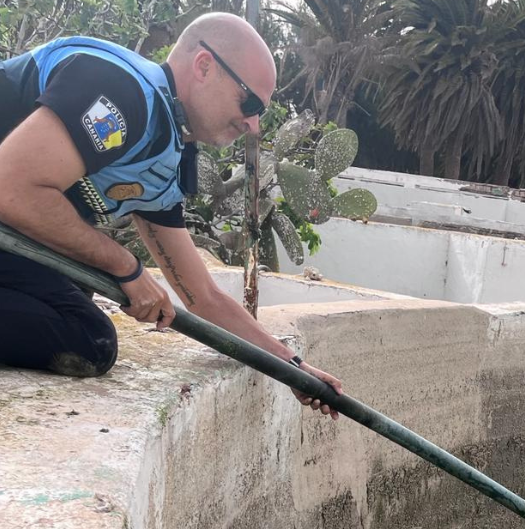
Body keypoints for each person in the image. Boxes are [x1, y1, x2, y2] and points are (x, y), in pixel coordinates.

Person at [0, 13, 342, 419]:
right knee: (89, 339)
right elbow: (11, 189)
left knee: (76, 287)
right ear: (204, 66)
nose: (252, 124)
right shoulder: (121, 91)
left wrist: (293, 367)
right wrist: (125, 266)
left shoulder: (162, 158)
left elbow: (204, 297)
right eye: (249, 103)